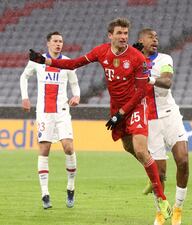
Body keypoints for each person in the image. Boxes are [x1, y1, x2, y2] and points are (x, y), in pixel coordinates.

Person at [28, 18, 172, 219]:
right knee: (129, 148)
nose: (123, 37)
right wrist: (46, 61)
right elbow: (74, 63)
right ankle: (152, 170)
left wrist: (121, 114)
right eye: (119, 33)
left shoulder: (137, 57)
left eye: (126, 34)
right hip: (117, 107)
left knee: (140, 149)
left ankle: (161, 197)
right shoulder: (101, 51)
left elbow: (141, 92)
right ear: (110, 36)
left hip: (136, 106)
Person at [135, 28, 189, 225]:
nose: (155, 40)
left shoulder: (164, 59)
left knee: (183, 160)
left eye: (157, 37)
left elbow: (167, 81)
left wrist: (147, 79)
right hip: (149, 122)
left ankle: (178, 209)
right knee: (160, 174)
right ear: (141, 41)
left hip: (170, 116)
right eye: (151, 37)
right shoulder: (133, 62)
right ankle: (160, 213)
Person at [20, 31, 80, 209]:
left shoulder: (68, 63)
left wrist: (76, 96)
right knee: (44, 149)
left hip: (62, 112)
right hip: (44, 112)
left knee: (68, 147)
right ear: (48, 43)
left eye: (60, 41)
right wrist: (25, 97)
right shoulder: (37, 61)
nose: (58, 44)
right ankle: (45, 193)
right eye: (55, 41)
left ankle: (70, 187)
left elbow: (75, 84)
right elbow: (24, 76)